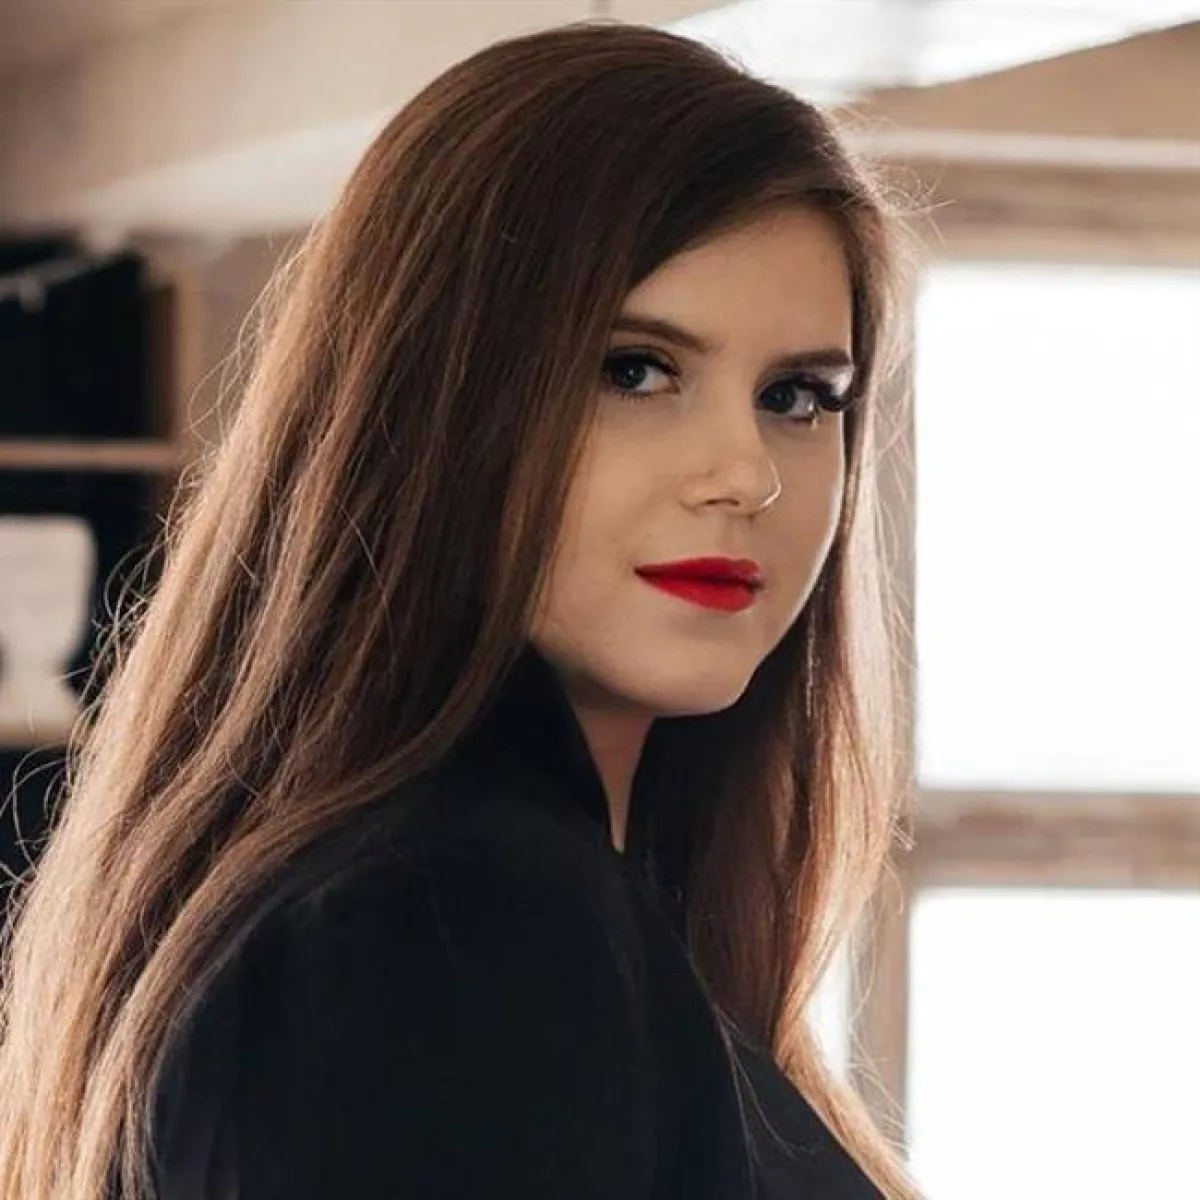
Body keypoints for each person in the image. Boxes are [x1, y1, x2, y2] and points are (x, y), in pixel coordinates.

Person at [0, 20, 920, 1200]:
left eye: (798, 395)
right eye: (634, 370)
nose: (746, 474)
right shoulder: (449, 920)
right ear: (431, 401)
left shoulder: (492, 902)